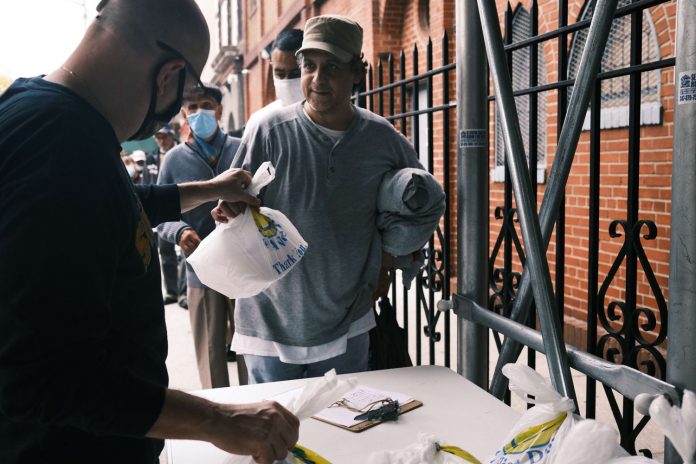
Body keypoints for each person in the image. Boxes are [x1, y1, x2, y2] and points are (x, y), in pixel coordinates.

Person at [0, 1, 298, 463]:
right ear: (169, 74)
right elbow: (41, 375)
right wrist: (219, 420)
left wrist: (209, 188)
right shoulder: (59, 146)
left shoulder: (51, 116)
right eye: (185, 94)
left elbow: (113, 207)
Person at [215, 15, 427, 384]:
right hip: (270, 320)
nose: (317, 78)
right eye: (309, 66)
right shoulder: (267, 131)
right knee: (275, 437)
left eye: (332, 67)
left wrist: (387, 259)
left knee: (343, 431)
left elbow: (418, 203)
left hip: (348, 321)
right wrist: (231, 211)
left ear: (357, 72)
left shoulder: (382, 139)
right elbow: (235, 204)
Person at [157, 83, 247, 389]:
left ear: (219, 110)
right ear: (184, 115)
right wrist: (180, 231)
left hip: (246, 264)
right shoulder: (173, 160)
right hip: (201, 268)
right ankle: (219, 411)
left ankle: (257, 401)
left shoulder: (242, 148)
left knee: (251, 346)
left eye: (205, 105)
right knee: (210, 350)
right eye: (192, 108)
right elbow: (159, 216)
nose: (199, 113)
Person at [148, 124, 188, 307]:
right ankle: (171, 291)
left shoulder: (182, 153)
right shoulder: (152, 157)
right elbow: (146, 182)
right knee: (165, 252)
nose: (161, 140)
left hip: (179, 206)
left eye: (164, 137)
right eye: (158, 137)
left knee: (185, 250)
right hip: (158, 208)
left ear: (172, 136)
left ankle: (183, 292)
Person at [243, 28, 304, 134]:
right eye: (280, 74)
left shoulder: (332, 119)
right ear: (272, 66)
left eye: (295, 74)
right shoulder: (261, 124)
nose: (286, 81)